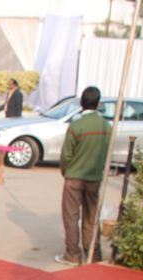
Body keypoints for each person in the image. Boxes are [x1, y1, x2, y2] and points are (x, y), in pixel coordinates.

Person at [56, 86, 110, 266]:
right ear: (98, 103)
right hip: (94, 177)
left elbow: (66, 155)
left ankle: (72, 254)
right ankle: (93, 253)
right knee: (91, 216)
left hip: (74, 177)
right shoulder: (106, 126)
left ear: (82, 102)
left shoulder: (77, 125)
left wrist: (66, 171)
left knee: (71, 216)